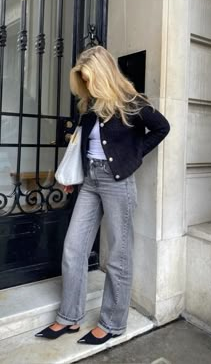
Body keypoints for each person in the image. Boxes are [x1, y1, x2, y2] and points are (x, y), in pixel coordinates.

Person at [35, 45, 170, 344]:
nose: (86, 85)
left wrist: (134, 157)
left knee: (119, 255)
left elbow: (162, 128)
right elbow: (84, 144)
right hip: (91, 181)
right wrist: (76, 173)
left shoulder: (131, 103)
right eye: (82, 80)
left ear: (103, 74)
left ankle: (112, 323)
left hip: (117, 182)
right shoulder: (90, 105)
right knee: (73, 248)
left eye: (89, 78)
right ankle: (70, 317)